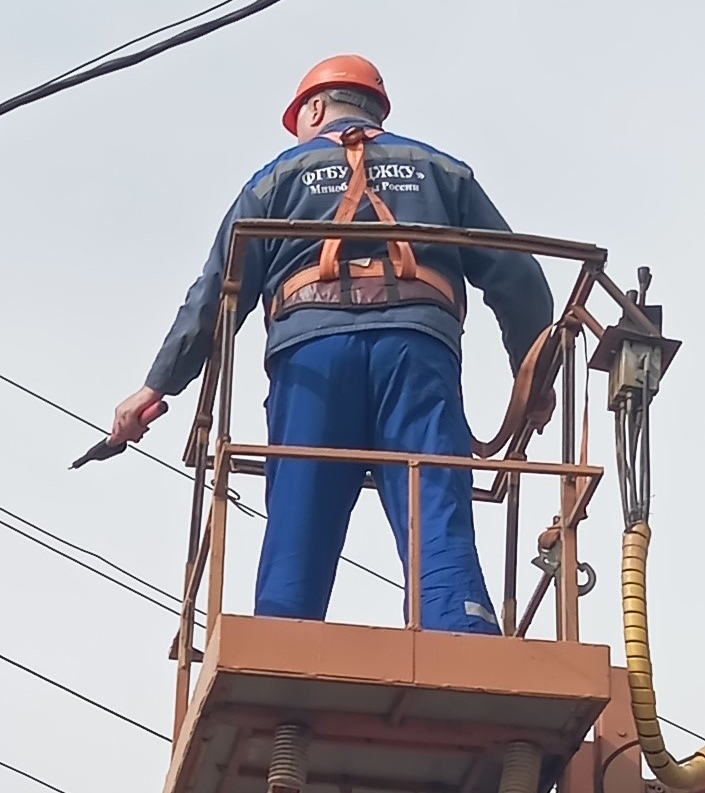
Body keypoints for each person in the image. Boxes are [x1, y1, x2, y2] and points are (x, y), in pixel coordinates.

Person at [105, 55, 552, 628]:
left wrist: (155, 386)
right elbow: (519, 278)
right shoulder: (440, 170)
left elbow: (218, 294)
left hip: (312, 356)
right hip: (415, 351)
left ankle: (282, 643)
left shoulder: (275, 179)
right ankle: (461, 628)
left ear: (315, 108)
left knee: (301, 504)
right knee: (434, 498)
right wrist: (534, 380)